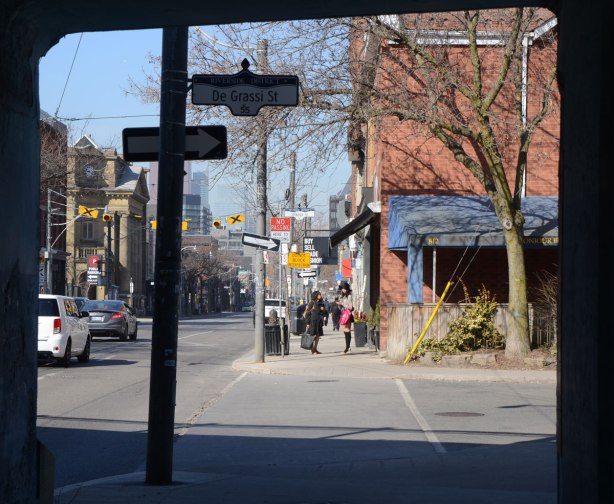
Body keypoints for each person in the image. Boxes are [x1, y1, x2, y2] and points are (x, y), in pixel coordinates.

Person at [339, 282, 354, 353]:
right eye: (342, 289)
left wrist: (342, 304)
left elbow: (350, 307)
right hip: (344, 314)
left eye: (344, 289)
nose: (343, 290)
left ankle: (347, 347)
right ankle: (348, 347)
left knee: (346, 330)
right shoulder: (344, 296)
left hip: (347, 314)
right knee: (345, 330)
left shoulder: (349, 296)